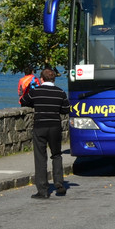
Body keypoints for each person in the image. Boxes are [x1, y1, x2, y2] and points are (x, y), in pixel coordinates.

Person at [20, 67, 71, 199]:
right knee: (56, 154)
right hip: (54, 126)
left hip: (40, 126)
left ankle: (43, 190)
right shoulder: (60, 92)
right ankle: (59, 182)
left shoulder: (36, 91)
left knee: (40, 157)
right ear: (53, 79)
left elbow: (24, 101)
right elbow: (66, 109)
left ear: (41, 79)